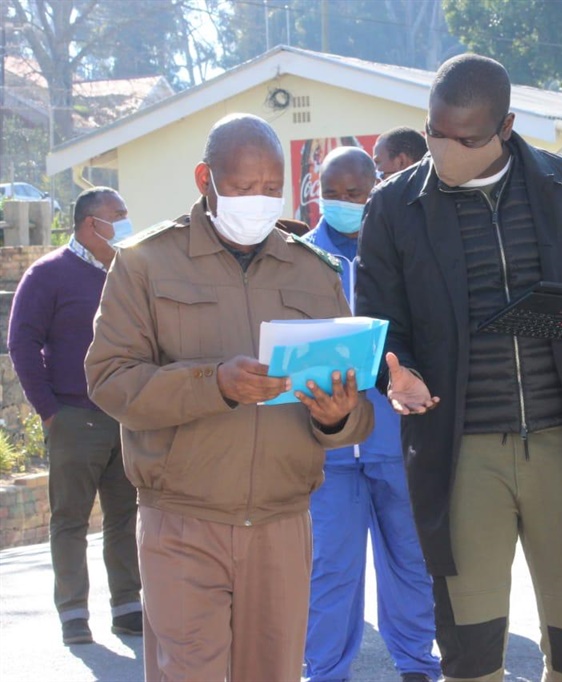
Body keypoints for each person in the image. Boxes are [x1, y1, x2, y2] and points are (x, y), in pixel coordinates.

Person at [356, 54, 562, 682]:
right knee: (471, 651)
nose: (447, 149)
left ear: (506, 126)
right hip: (460, 454)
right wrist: (393, 374)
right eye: (435, 133)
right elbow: (377, 327)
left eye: (467, 138)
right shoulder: (394, 207)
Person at [84, 113, 375, 681]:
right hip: (182, 521)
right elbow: (110, 379)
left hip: (283, 523)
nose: (258, 202)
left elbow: (355, 408)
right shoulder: (145, 262)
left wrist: (339, 419)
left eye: (271, 189)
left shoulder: (312, 271)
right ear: (205, 179)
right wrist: (214, 383)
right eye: (242, 188)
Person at [302, 146, 440, 682]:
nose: (343, 203)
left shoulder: (404, 251)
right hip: (328, 446)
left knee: (410, 560)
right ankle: (327, 670)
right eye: (331, 194)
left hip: (398, 441)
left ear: (375, 189)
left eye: (354, 194)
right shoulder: (298, 258)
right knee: (329, 569)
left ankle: (415, 665)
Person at [7, 187, 142, 646]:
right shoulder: (47, 275)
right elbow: (22, 343)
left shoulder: (127, 272)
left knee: (125, 517)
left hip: (124, 419)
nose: (125, 224)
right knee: (70, 521)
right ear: (90, 224)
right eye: (117, 216)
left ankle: (128, 608)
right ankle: (73, 615)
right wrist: (49, 411)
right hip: (73, 418)